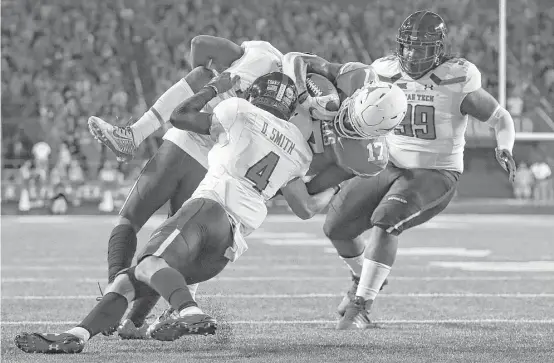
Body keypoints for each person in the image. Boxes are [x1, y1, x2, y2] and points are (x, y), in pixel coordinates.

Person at [14, 71, 338, 354]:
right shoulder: (297, 147)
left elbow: (180, 116)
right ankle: (77, 335)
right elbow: (306, 207)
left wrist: (214, 87)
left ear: (256, 94)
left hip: (208, 210)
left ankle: (188, 309)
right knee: (129, 282)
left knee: (151, 263)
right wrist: (341, 180)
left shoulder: (239, 110)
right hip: (226, 249)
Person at [292, 11, 517, 330]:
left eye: (421, 47)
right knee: (336, 226)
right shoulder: (383, 69)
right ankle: (361, 276)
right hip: (389, 163)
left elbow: (500, 118)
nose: (412, 55)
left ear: (438, 48)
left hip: (435, 172)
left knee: (386, 221)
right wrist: (304, 67)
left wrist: (504, 145)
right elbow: (325, 68)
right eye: (407, 47)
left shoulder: (457, 77)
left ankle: (362, 303)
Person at [87, 37, 289, 337]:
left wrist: (212, 81)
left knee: (130, 218)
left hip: (186, 139)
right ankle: (135, 320)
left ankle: (114, 297)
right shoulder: (293, 106)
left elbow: (200, 46)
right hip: (219, 162)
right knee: (171, 253)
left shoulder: (259, 52)